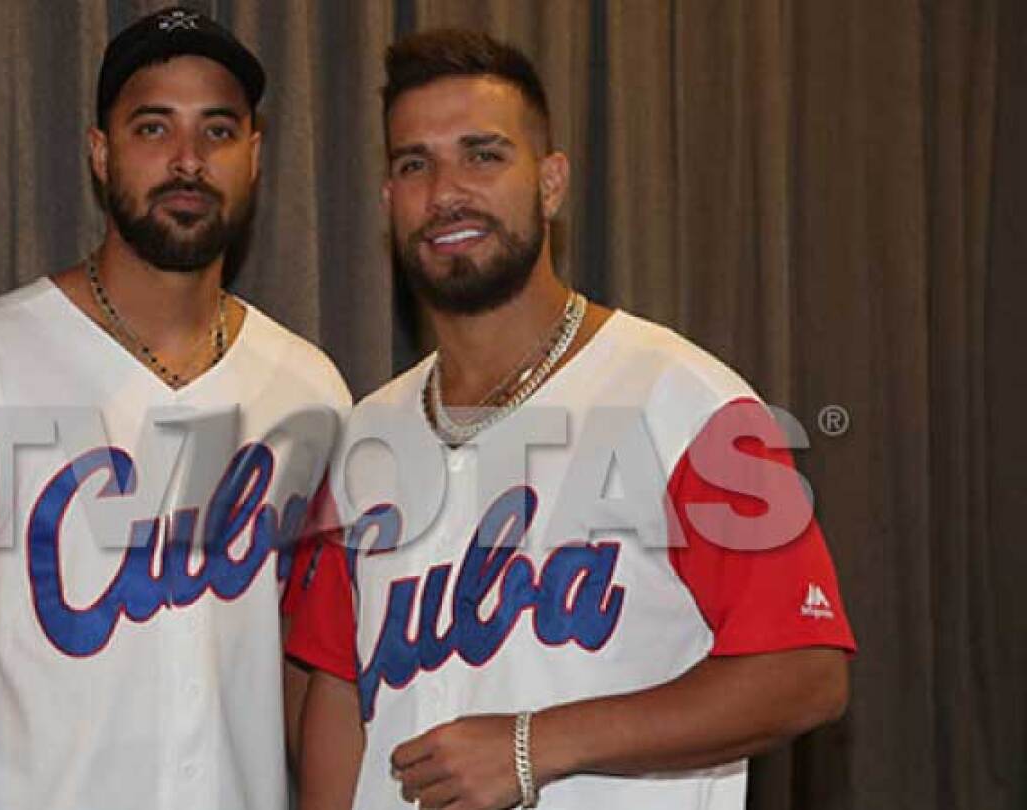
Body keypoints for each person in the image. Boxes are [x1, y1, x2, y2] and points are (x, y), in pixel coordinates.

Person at [286, 29, 856, 810]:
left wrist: (534, 744)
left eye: (483, 154)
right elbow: (338, 690)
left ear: (550, 183)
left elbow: (807, 672)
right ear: (389, 202)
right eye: (414, 163)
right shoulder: (366, 434)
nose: (446, 189)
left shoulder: (689, 401)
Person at [0, 8, 349, 809]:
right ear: (101, 154)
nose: (187, 160)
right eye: (153, 128)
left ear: (254, 156)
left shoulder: (310, 392)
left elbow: (312, 664)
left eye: (217, 131)